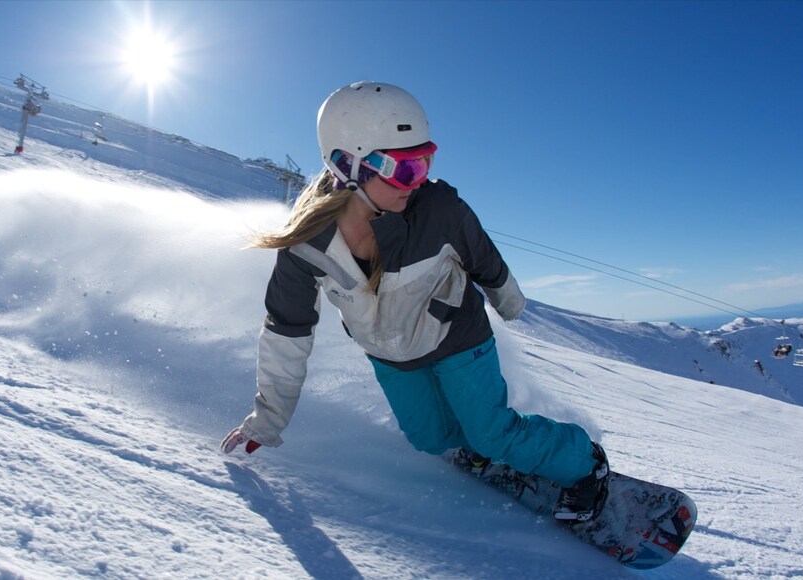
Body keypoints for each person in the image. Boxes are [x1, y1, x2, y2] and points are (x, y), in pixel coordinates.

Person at [221, 81, 609, 522]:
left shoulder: (437, 209)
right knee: (429, 437)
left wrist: (509, 302)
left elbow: (483, 257)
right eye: (405, 169)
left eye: (425, 161)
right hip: (392, 355)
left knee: (493, 434)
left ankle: (584, 463)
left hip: (459, 336)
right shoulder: (307, 247)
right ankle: (476, 453)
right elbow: (285, 337)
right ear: (347, 164)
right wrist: (267, 422)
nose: (419, 179)